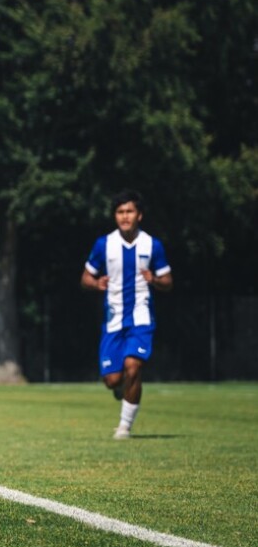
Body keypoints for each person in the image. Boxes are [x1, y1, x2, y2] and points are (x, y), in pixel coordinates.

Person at [80, 189, 173, 440]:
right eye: (120, 212)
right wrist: (95, 283)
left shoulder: (152, 245)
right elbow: (85, 277)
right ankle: (124, 390)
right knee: (112, 380)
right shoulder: (104, 244)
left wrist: (155, 280)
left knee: (133, 367)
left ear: (139, 215)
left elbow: (168, 281)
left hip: (141, 318)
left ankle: (124, 427)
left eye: (129, 211)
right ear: (115, 216)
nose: (125, 216)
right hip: (113, 320)